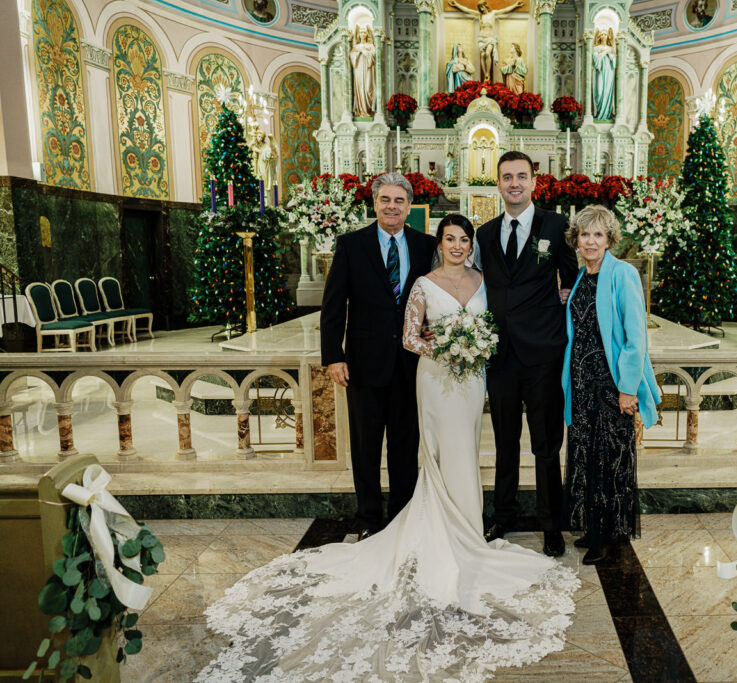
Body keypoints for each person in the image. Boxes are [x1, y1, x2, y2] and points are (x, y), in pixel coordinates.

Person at [199, 215, 579, 681]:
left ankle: (468, 524)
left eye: (463, 239)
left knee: (465, 448)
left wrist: (477, 344)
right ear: (439, 243)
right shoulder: (423, 283)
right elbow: (409, 336)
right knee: (435, 451)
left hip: (472, 379)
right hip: (438, 379)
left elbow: (502, 317)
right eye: (450, 239)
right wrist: (449, 349)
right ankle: (438, 524)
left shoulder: (484, 281)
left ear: (471, 244)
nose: (457, 246)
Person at [474, 151, 578, 557]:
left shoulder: (557, 225)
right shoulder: (484, 233)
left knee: (546, 443)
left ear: (534, 181)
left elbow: (572, 280)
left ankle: (552, 523)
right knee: (504, 440)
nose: (514, 183)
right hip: (500, 354)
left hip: (543, 353)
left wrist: (562, 304)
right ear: (498, 184)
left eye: (521, 176)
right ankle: (504, 514)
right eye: (507, 177)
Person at [319, 173, 434, 540]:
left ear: (409, 206)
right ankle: (369, 518)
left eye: (399, 201)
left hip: (410, 364)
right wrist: (333, 356)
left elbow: (434, 298)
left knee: (405, 446)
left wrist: (433, 329)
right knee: (366, 447)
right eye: (385, 199)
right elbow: (333, 306)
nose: (392, 207)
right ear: (374, 203)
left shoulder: (426, 246)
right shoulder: (352, 245)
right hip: (364, 364)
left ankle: (402, 516)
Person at [561, 205, 661, 564]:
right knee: (586, 456)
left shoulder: (623, 273)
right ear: (576, 240)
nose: (590, 241)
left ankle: (606, 535)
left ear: (609, 239)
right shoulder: (581, 276)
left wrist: (628, 388)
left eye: (598, 234)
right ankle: (593, 527)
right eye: (585, 234)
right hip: (582, 385)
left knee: (609, 460)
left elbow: (636, 337)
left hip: (610, 385)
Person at [448, 0, 523, 81]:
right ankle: (485, 75)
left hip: (490, 38)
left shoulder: (493, 13)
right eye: (480, 8)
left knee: (487, 53)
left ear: (485, 5)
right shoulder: (480, 15)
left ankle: (488, 73)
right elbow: (468, 10)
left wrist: (515, 5)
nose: (482, 9)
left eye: (482, 7)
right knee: (482, 55)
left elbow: (504, 10)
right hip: (482, 38)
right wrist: (457, 5)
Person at [350, 24, 376, 117]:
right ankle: (361, 110)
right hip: (358, 69)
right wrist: (358, 53)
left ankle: (369, 110)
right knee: (360, 88)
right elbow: (352, 57)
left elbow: (374, 56)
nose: (362, 34)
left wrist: (365, 52)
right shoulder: (356, 46)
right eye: (361, 32)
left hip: (368, 68)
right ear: (358, 34)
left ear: (367, 34)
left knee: (368, 88)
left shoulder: (370, 45)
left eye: (364, 32)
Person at [592, 28, 616, 121]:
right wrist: (602, 54)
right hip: (600, 72)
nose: (603, 36)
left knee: (607, 92)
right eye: (602, 34)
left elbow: (614, 63)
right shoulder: (596, 48)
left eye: (605, 34)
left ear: (608, 36)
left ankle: (606, 114)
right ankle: (599, 113)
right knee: (599, 92)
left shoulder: (611, 49)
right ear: (599, 36)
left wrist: (609, 54)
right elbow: (595, 62)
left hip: (609, 72)